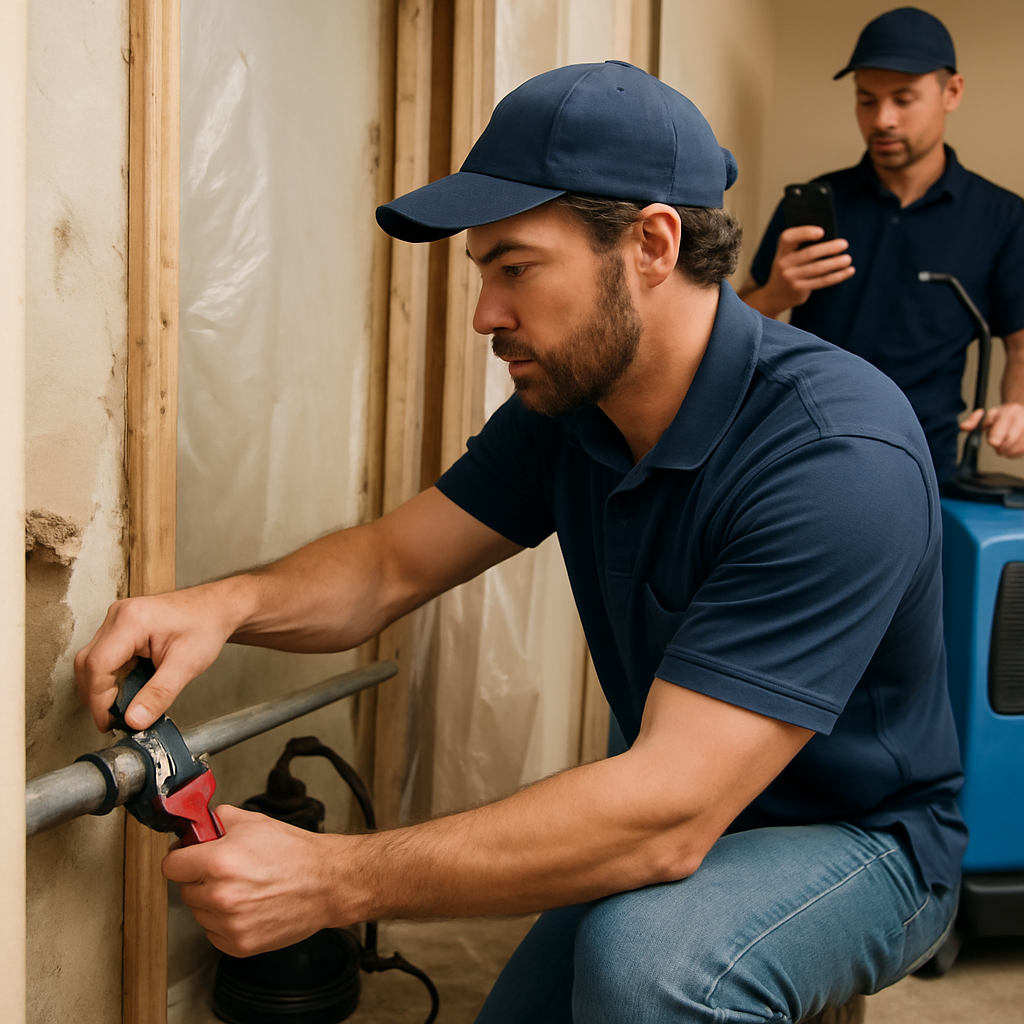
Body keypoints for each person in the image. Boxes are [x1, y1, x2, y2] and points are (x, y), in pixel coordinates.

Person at [75, 61, 965, 1023]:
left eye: (517, 267)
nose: (485, 315)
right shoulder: (575, 404)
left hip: (864, 837)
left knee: (651, 967)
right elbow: (386, 567)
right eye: (481, 271)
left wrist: (337, 878)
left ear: (652, 245)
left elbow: (667, 815)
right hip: (684, 792)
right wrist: (220, 606)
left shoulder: (835, 456)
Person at [740, 6, 1024, 484]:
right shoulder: (817, 200)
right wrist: (775, 295)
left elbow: (1020, 347)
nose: (883, 119)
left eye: (904, 99)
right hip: (797, 448)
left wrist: (1016, 408)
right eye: (866, 100)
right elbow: (731, 326)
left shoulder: (1002, 216)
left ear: (951, 92)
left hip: (925, 464)